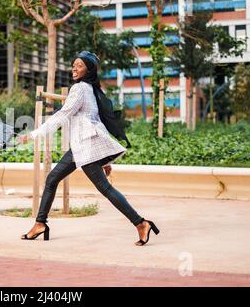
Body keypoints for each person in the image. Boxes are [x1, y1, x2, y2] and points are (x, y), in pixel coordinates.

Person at [16, 51, 159, 246]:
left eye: (80, 65)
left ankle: (141, 223)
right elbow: (94, 121)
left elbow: (62, 115)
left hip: (85, 146)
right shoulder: (90, 89)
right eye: (73, 64)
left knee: (105, 189)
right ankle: (40, 223)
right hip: (81, 147)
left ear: (88, 70)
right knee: (52, 179)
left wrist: (33, 135)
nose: (74, 68)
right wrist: (104, 160)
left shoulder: (80, 89)